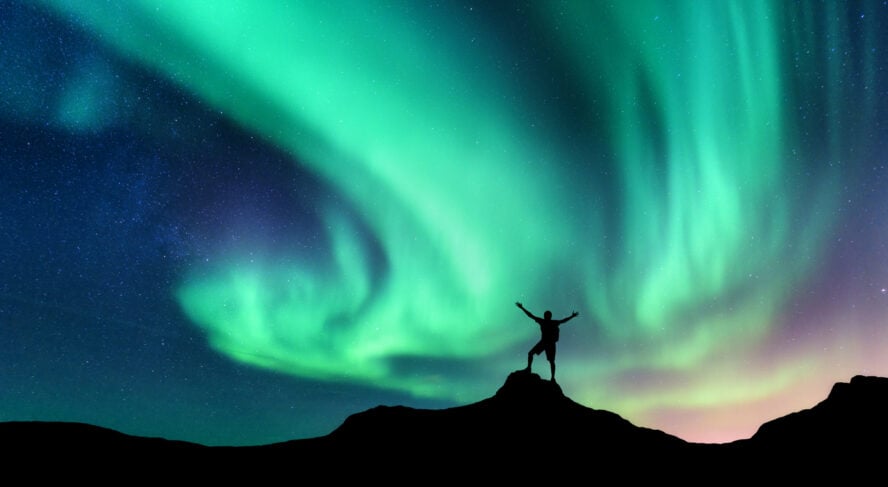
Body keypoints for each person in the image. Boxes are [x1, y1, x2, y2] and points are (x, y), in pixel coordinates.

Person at [516, 302, 578, 382]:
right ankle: (550, 377)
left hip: (547, 343)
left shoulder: (544, 321)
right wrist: (572, 316)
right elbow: (563, 321)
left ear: (546, 316)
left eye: (546, 315)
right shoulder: (551, 322)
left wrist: (522, 308)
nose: (545, 316)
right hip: (547, 343)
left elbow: (531, 315)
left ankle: (550, 377)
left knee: (546, 359)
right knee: (545, 359)